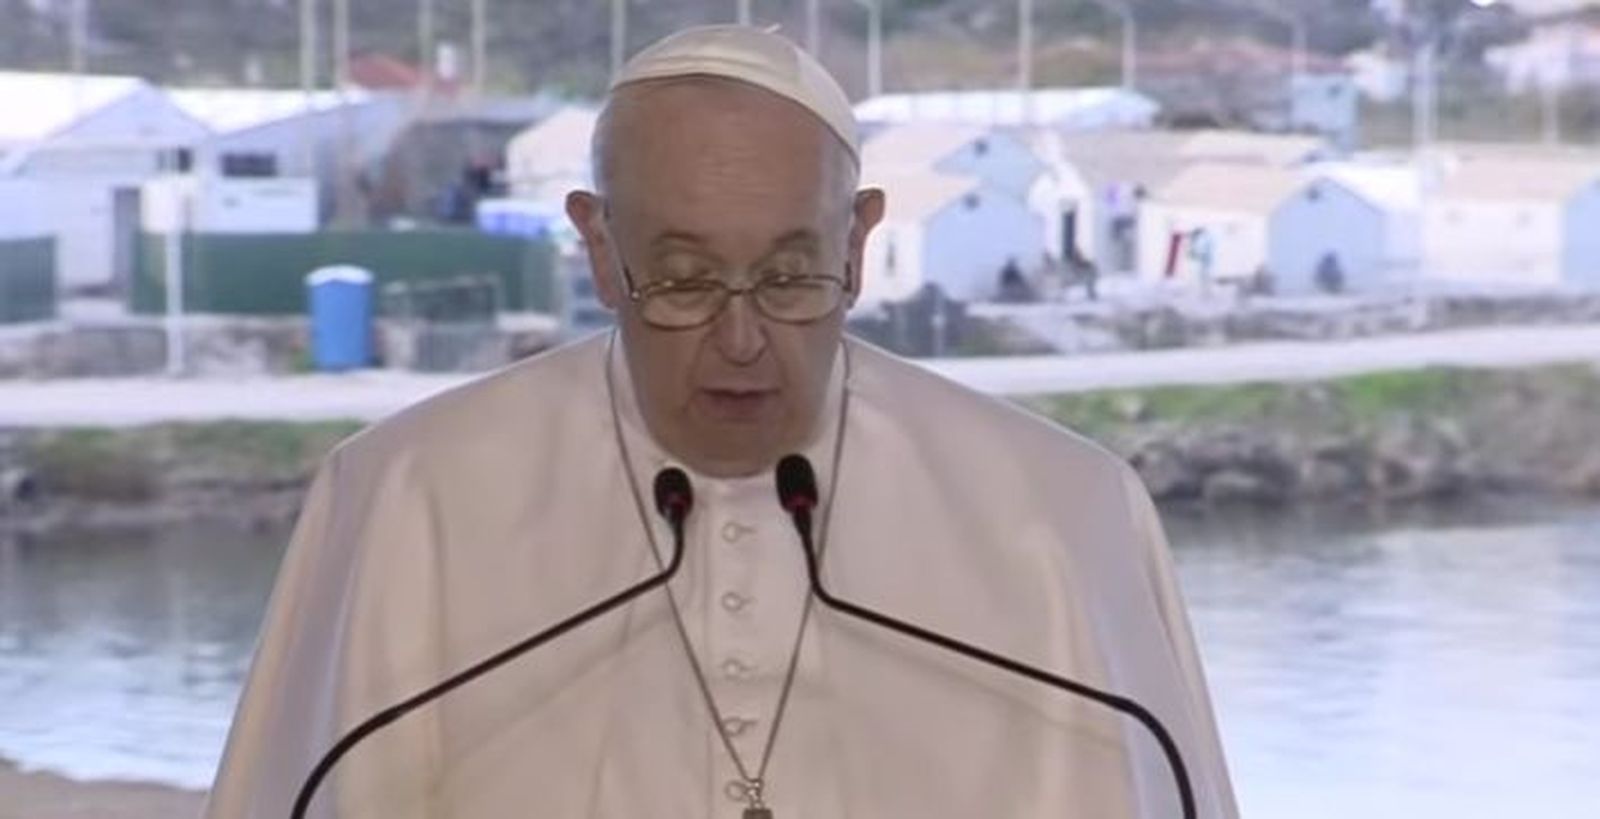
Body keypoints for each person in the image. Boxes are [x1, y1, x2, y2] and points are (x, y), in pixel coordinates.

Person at [206, 25, 1237, 819]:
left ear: (861, 237)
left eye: (791, 275)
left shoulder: (1060, 511)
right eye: (685, 277)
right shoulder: (407, 494)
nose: (742, 339)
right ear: (599, 247)